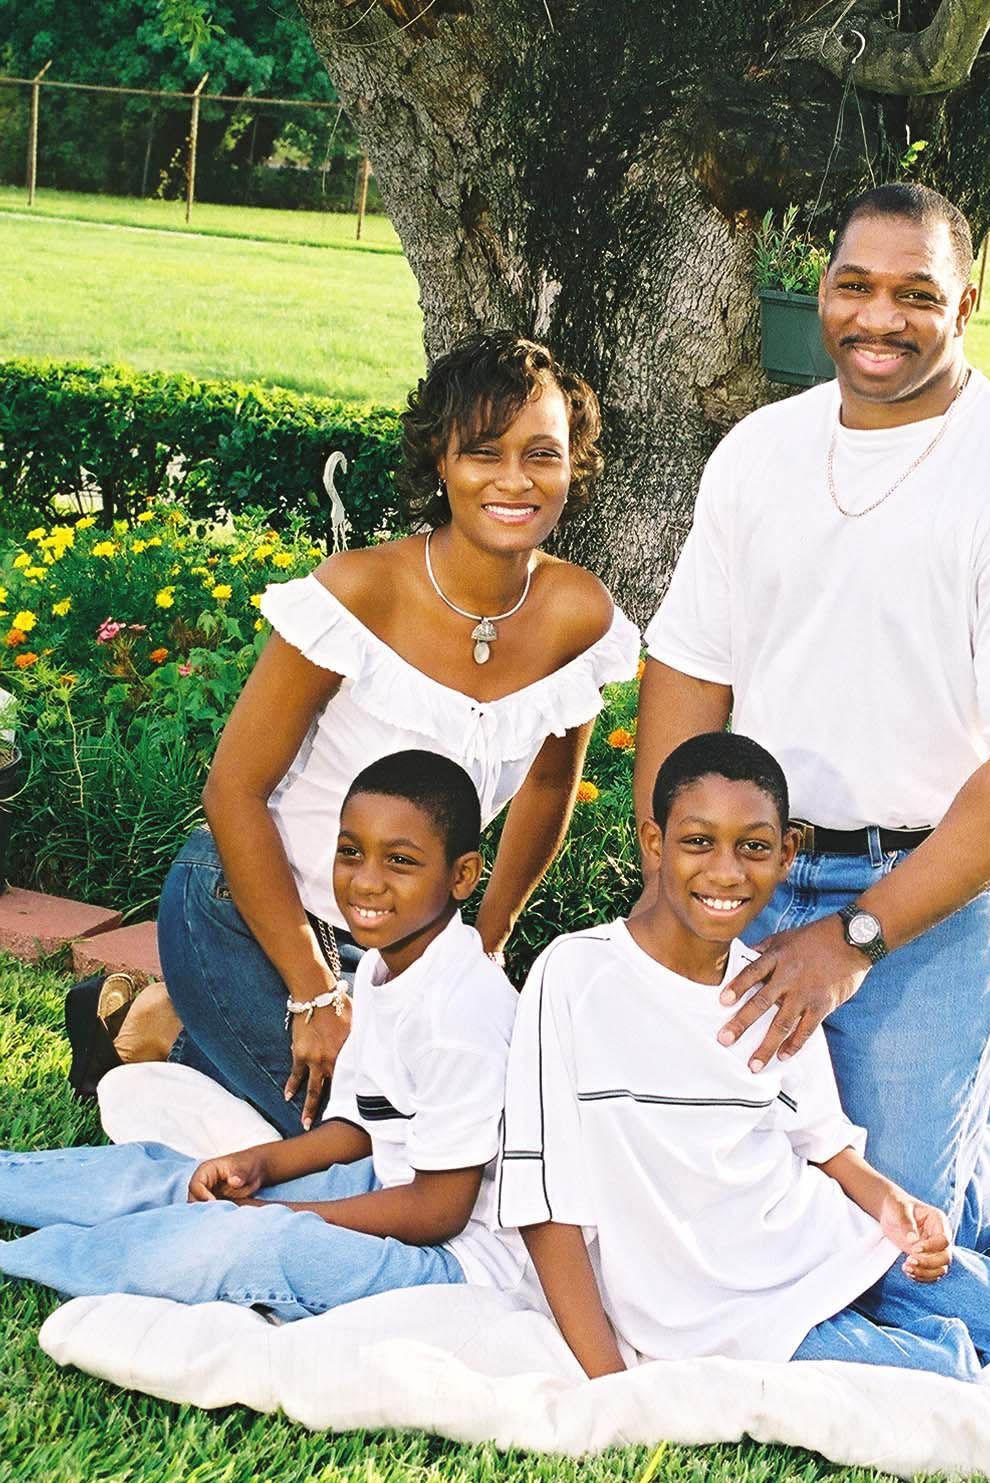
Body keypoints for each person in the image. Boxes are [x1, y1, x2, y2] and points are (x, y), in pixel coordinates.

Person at [633, 182, 990, 1247]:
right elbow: (690, 669)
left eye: (915, 293)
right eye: (855, 286)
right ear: (820, 291)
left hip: (917, 899)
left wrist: (857, 937)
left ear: (966, 304)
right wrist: (670, 869)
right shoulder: (758, 453)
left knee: (904, 1233)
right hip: (750, 866)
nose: (878, 318)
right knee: (690, 1195)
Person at [69, 332, 639, 1136]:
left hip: (404, 950)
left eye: (541, 454)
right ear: (441, 462)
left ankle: (171, 1020)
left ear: (572, 466)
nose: (515, 479)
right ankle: (158, 1032)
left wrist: (487, 937)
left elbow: (549, 784)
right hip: (252, 916)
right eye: (484, 451)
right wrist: (311, 990)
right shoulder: (359, 592)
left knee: (495, 1139)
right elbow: (232, 790)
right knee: (371, 1151)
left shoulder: (580, 616)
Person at [497, 734, 990, 1382]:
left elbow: (826, 1149)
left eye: (752, 848)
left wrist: (898, 1208)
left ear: (784, 859)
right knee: (944, 1377)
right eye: (699, 841)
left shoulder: (773, 987)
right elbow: (543, 1200)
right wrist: (610, 1387)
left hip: (827, 1254)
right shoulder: (574, 977)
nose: (725, 871)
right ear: (654, 844)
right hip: (719, 1319)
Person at [1, 751, 525, 1320]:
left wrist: (289, 1215)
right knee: (185, 1179)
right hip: (385, 1184)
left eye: (400, 861)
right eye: (351, 852)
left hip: (453, 1264)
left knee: (241, 1243)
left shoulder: (462, 1016)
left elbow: (439, 1213)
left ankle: (32, 1256)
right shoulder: (384, 970)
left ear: (462, 875)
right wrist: (260, 1165)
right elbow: (359, 1127)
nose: (366, 882)